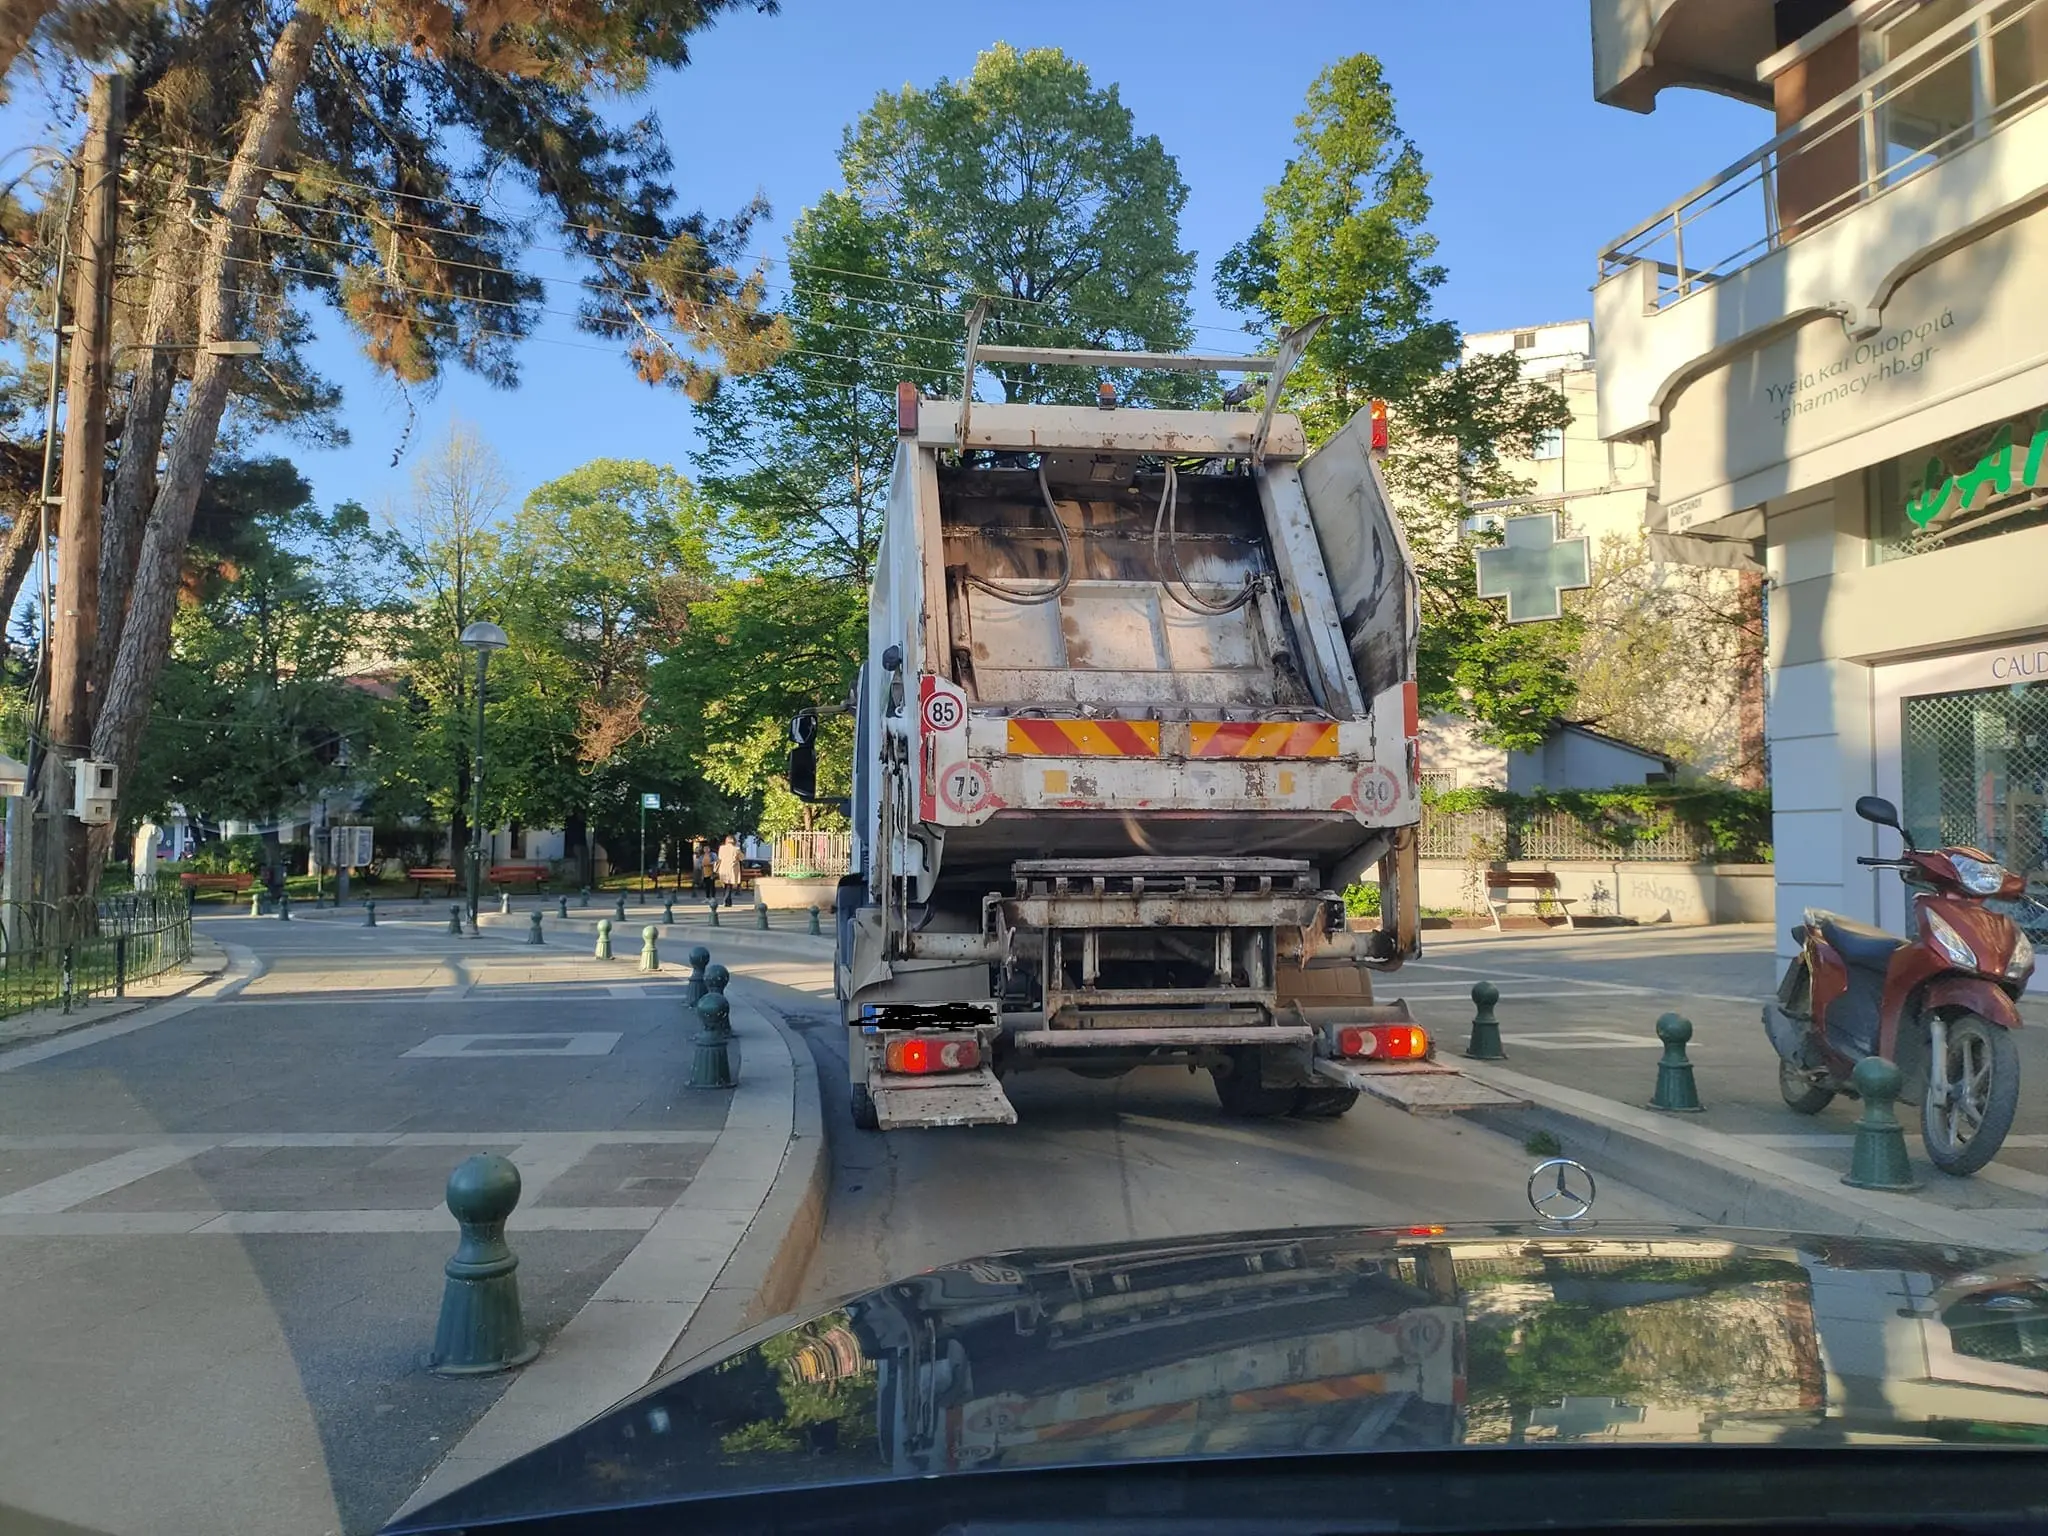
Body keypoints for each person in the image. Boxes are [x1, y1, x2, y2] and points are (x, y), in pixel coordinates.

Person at [716, 834, 741, 908]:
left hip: (723, 868)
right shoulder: (736, 849)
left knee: (726, 885)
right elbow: (742, 857)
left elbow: (719, 858)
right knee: (729, 885)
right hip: (732, 869)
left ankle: (728, 901)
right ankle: (727, 901)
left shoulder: (722, 848)